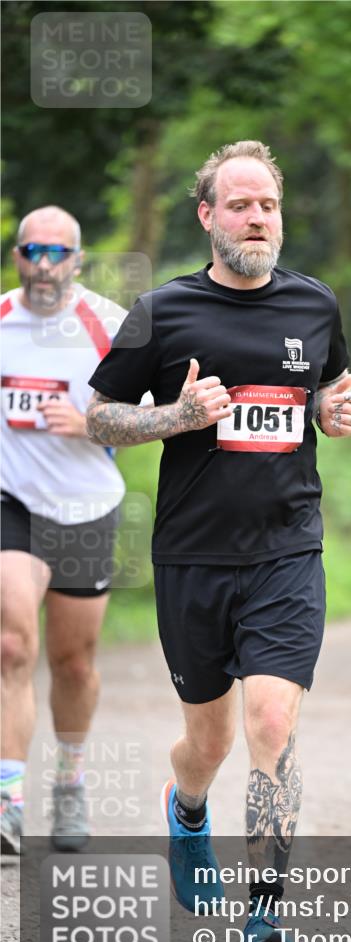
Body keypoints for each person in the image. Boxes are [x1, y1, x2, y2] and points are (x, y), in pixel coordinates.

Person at [86, 140, 351, 942]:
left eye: (267, 205)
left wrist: (334, 412)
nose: (256, 219)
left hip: (287, 549)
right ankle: (187, 807)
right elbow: (99, 416)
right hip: (193, 558)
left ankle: (265, 915)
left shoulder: (314, 303)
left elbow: (329, 392)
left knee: (271, 725)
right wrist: (175, 415)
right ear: (207, 215)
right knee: (206, 743)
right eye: (239, 205)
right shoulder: (161, 311)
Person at [1, 206, 127, 854]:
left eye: (57, 253)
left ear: (77, 260)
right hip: (12, 502)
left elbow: (150, 415)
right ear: (18, 256)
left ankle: (70, 782)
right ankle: (8, 801)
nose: (44, 264)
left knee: (73, 664)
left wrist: (89, 424)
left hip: (84, 507)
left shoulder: (109, 325)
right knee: (10, 645)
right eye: (33, 251)